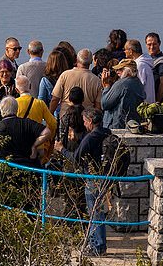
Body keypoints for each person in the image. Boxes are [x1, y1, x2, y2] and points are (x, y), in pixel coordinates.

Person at [55, 108, 111, 257]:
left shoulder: (90, 137)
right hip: (105, 177)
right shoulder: (107, 132)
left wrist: (61, 149)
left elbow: (76, 158)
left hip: (93, 178)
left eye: (86, 121)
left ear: (91, 121)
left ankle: (97, 247)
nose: (84, 124)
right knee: (98, 212)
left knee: (95, 214)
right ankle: (98, 244)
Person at [0, 96, 53, 168]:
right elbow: (47, 132)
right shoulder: (27, 123)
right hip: (28, 167)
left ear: (1, 110)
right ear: (16, 109)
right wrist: (34, 145)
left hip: (6, 170)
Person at [49, 49, 103, 116]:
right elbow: (98, 106)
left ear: (76, 59)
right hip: (86, 119)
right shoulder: (96, 80)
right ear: (91, 61)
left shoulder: (65, 75)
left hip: (66, 116)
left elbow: (55, 99)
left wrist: (50, 115)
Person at [100, 58, 145, 129]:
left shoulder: (121, 84)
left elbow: (104, 104)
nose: (117, 71)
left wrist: (106, 86)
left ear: (127, 71)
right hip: (132, 124)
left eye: (120, 69)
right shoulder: (139, 83)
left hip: (117, 126)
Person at [143, 32, 163, 102]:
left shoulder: (162, 62)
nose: (152, 47)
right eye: (149, 44)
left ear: (159, 44)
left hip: (160, 103)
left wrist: (157, 101)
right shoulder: (148, 59)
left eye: (154, 44)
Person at [57, 86, 87, 150]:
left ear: (70, 99)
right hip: (83, 147)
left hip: (68, 148)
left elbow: (61, 134)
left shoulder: (66, 116)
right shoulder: (87, 115)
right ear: (83, 99)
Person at [127, 39, 155, 104]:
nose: (124, 51)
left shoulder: (140, 65)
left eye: (125, 50)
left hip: (144, 105)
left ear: (130, 51)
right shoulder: (144, 62)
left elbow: (140, 85)